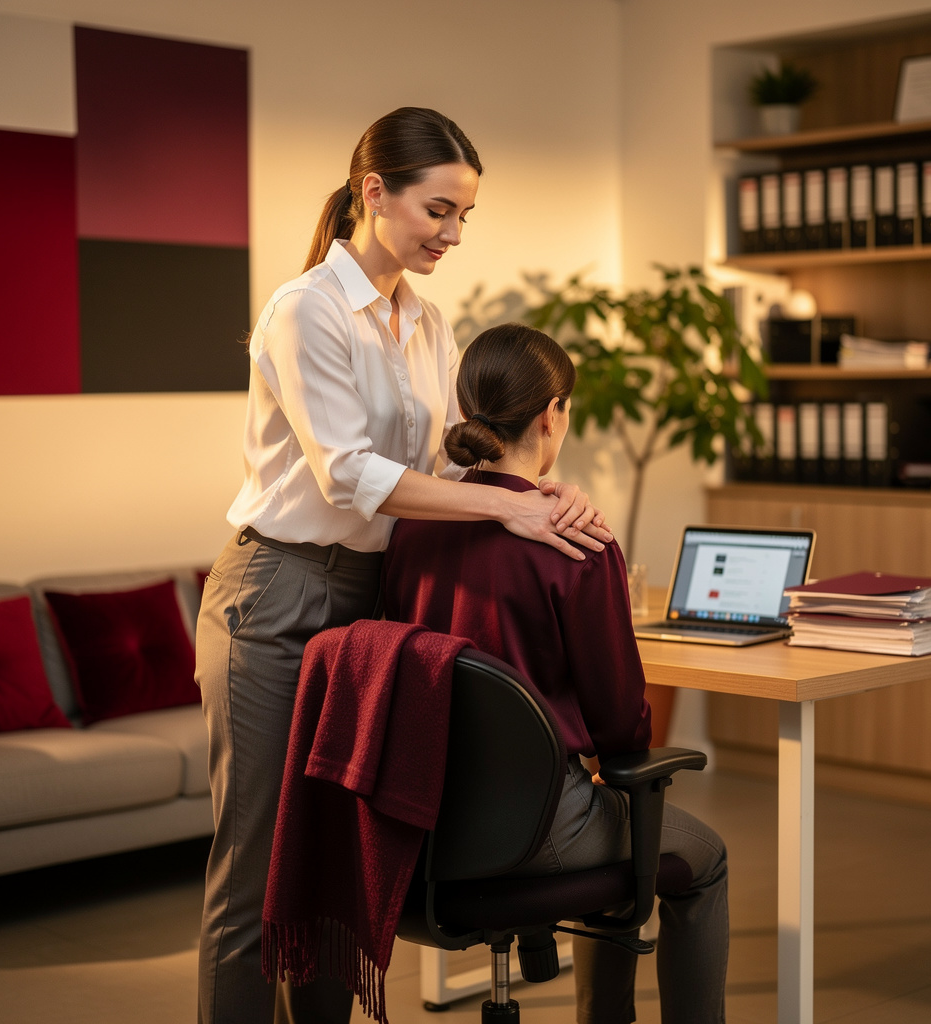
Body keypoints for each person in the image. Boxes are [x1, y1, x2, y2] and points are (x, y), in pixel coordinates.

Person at [195, 108, 612, 1024]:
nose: (453, 234)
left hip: (368, 601)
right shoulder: (305, 309)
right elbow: (347, 476)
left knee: (332, 862)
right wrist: (506, 506)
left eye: (465, 216)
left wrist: (544, 489)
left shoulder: (427, 322)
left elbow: (460, 460)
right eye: (439, 211)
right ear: (374, 192)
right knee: (258, 869)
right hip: (275, 594)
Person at [382, 323, 729, 1024]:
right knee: (705, 858)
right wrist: (611, 759)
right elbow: (620, 724)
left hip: (420, 819)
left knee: (620, 823)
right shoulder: (575, 540)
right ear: (551, 415)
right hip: (540, 826)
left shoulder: (411, 527)